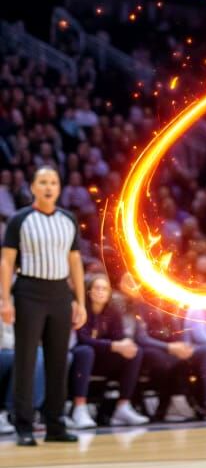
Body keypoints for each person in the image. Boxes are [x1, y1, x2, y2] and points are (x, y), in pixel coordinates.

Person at [0, 166, 86, 445]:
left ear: (59, 188)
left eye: (53, 182)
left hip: (60, 292)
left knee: (58, 361)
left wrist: (80, 301)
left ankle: (55, 424)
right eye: (43, 182)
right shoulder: (19, 219)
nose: (48, 187)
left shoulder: (68, 219)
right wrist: (5, 300)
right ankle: (23, 425)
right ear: (33, 188)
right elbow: (6, 262)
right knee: (26, 360)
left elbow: (75, 262)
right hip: (28, 292)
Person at [76, 273, 149, 426]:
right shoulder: (81, 309)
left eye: (105, 288)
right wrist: (113, 346)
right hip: (81, 359)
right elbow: (82, 339)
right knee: (86, 351)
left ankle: (123, 407)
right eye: (97, 288)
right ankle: (79, 408)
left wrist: (126, 343)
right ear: (88, 291)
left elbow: (119, 337)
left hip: (103, 359)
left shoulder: (112, 311)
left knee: (135, 352)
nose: (101, 291)